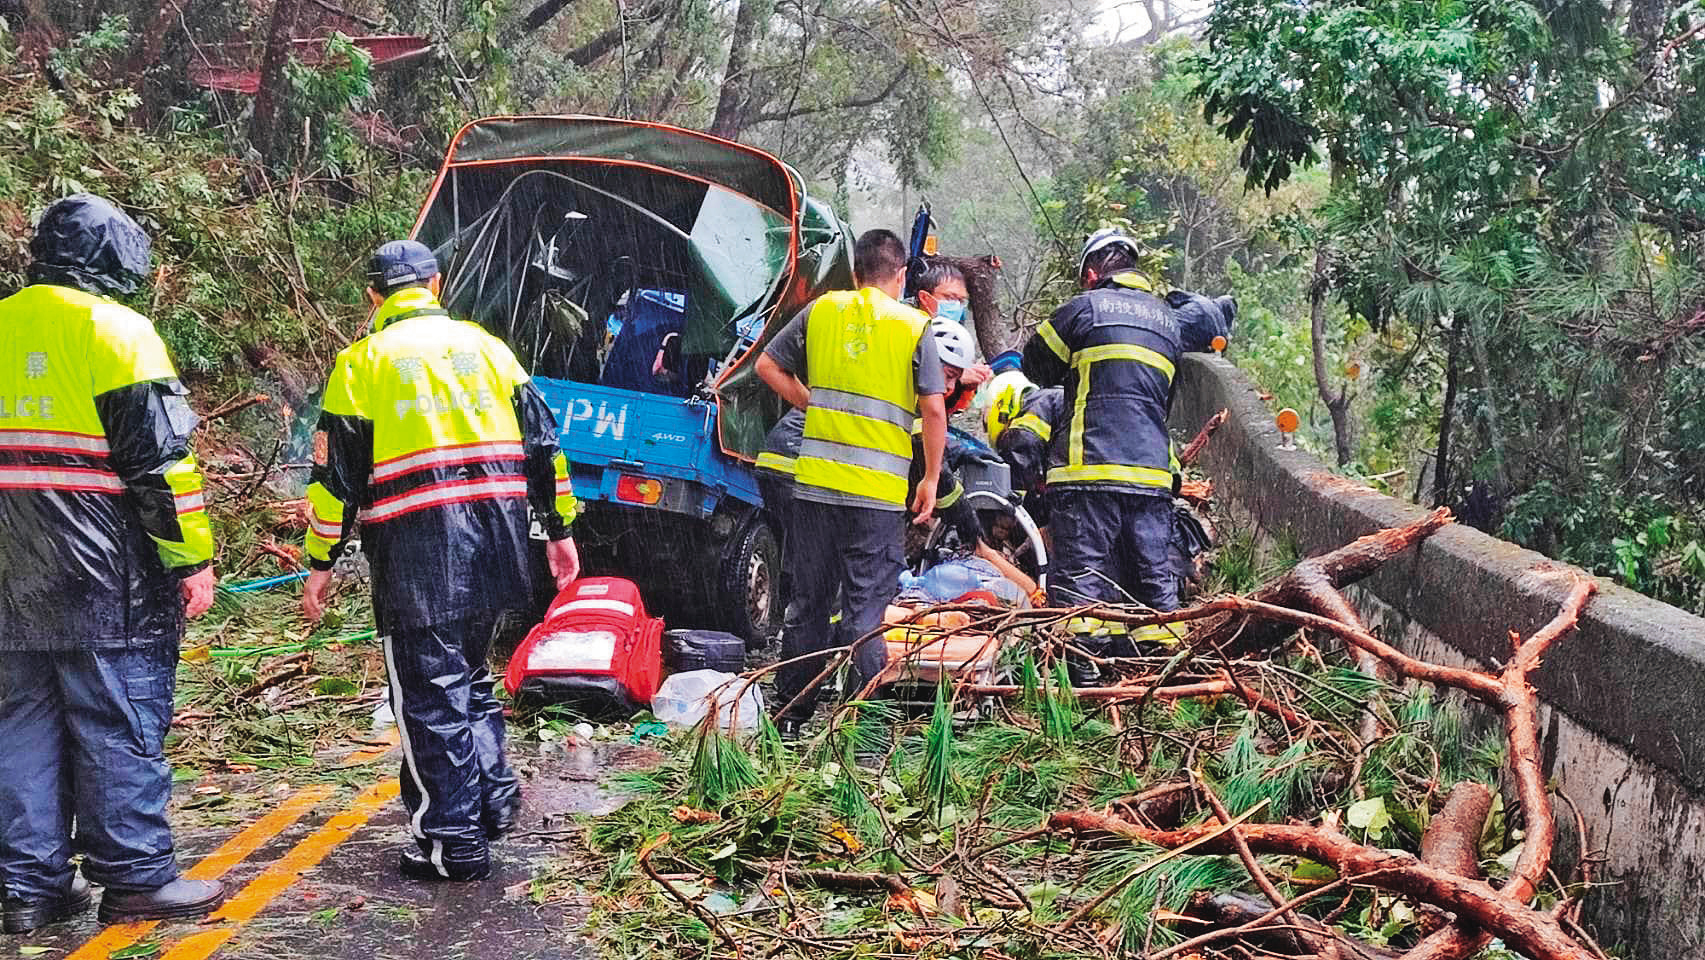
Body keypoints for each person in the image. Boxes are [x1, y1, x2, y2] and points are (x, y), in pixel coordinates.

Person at [301, 240, 581, 882]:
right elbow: (546, 447)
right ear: (436, 284)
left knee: (429, 695)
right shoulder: (489, 348)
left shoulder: (360, 364)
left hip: (418, 554)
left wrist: (321, 562)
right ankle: (493, 798)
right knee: (469, 675)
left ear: (373, 295)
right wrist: (559, 531)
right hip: (499, 543)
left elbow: (334, 478)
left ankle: (450, 842)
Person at [0, 193, 227, 931]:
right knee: (117, 718)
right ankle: (133, 878)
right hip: (104, 571)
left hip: (8, 574)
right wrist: (192, 560)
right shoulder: (118, 332)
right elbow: (161, 465)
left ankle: (27, 890)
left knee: (19, 724)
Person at [755, 229, 947, 732]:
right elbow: (932, 407)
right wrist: (928, 477)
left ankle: (790, 715)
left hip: (815, 489)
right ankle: (869, 724)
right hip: (877, 499)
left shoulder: (822, 311)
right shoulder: (913, 326)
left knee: (808, 605)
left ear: (855, 272)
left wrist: (809, 402)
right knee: (865, 613)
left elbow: (766, 365)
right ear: (902, 275)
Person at [1022, 228, 1184, 679]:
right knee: (1152, 585)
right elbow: (1164, 401)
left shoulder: (1084, 308)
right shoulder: (1170, 323)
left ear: (1092, 274)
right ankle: (1159, 688)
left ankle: (1082, 689)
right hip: (1152, 477)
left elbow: (1035, 366)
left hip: (1087, 471)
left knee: (1080, 583)